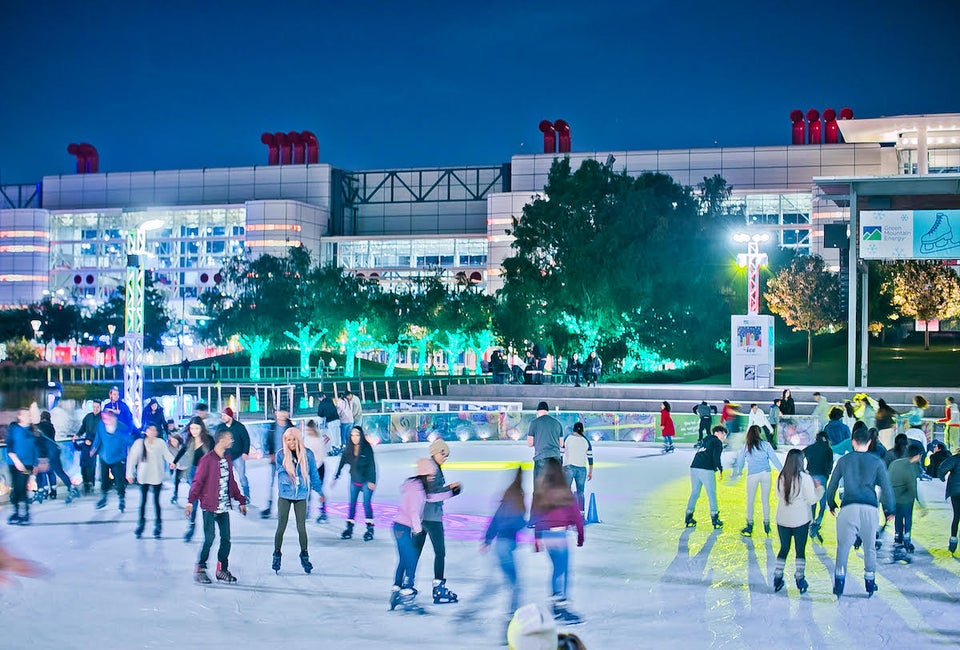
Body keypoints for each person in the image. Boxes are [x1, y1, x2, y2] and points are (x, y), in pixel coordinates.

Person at [825, 424, 895, 598]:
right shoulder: (877, 462)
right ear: (869, 442)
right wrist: (889, 509)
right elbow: (886, 488)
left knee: (843, 547)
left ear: (853, 442)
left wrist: (831, 503)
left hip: (848, 507)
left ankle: (839, 583)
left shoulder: (844, 461)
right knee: (870, 547)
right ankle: (870, 582)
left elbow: (832, 484)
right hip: (869, 508)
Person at [459, 468, 527, 624]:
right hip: (507, 546)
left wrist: (487, 540)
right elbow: (515, 523)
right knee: (513, 584)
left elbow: (496, 520)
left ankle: (471, 610)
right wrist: (527, 523)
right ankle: (512, 614)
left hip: (500, 545)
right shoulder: (518, 498)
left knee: (498, 583)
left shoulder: (507, 498)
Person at [187, 429, 247, 584]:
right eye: (229, 438)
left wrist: (241, 500)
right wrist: (190, 501)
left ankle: (222, 570)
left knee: (226, 539)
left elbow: (231, 482)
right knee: (209, 538)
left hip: (223, 507)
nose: (232, 441)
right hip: (209, 506)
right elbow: (198, 481)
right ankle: (200, 568)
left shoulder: (227, 459)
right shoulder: (207, 460)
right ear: (221, 440)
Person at [390, 457, 446, 613]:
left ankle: (397, 588)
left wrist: (451, 492)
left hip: (400, 527)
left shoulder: (417, 486)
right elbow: (413, 511)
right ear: (424, 474)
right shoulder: (417, 490)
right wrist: (418, 529)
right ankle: (406, 593)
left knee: (406, 559)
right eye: (430, 475)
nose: (432, 478)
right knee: (410, 560)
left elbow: (433, 497)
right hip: (403, 528)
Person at [532, 458, 585, 624]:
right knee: (564, 571)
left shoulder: (542, 492)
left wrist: (537, 537)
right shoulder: (565, 492)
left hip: (547, 536)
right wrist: (580, 536)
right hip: (560, 535)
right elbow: (576, 516)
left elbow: (537, 515)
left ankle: (556, 605)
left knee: (556, 569)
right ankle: (562, 608)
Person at [414, 438, 463, 604]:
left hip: (422, 516)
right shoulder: (432, 468)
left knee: (415, 552)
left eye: (447, 455)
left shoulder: (432, 467)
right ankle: (438, 587)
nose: (445, 458)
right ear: (435, 452)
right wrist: (451, 491)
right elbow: (432, 494)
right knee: (440, 552)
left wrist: (448, 488)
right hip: (432, 518)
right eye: (443, 454)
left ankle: (406, 584)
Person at [271, 428, 323, 575]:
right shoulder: (281, 454)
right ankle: (277, 554)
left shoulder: (308, 454)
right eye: (288, 440)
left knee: (301, 527)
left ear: (299, 439)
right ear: (285, 441)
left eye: (294, 439)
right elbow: (280, 473)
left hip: (301, 495)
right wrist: (290, 478)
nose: (291, 442)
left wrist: (319, 491)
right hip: (285, 494)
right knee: (281, 526)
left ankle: (304, 555)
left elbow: (313, 473)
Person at [772, 448, 823, 593]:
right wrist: (819, 489)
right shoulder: (804, 478)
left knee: (784, 548)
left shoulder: (781, 477)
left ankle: (777, 577)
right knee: (800, 550)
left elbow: (778, 495)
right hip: (800, 519)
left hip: (783, 519)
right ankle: (800, 579)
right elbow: (812, 499)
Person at [732, 425, 782, 536]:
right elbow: (774, 459)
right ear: (759, 433)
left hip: (752, 475)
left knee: (750, 500)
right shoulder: (766, 445)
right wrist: (782, 471)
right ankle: (766, 523)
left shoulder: (747, 446)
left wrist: (739, 471)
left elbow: (740, 460)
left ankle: (750, 525)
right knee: (765, 500)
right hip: (765, 474)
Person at [126, 423, 174, 539]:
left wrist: (173, 462)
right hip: (144, 476)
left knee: (156, 502)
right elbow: (132, 459)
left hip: (156, 475)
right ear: (146, 431)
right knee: (143, 501)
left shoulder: (160, 443)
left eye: (154, 430)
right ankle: (141, 525)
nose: (152, 432)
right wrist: (129, 473)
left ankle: (158, 526)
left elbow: (167, 455)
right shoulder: (139, 443)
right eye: (150, 430)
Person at [172, 416, 214, 541]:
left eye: (196, 428)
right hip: (194, 472)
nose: (194, 431)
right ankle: (191, 526)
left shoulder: (209, 440)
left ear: (201, 428)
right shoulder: (190, 440)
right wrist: (174, 462)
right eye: (192, 428)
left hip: (206, 473)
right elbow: (183, 450)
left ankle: (209, 528)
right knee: (194, 500)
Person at [333, 425, 377, 540]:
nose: (354, 437)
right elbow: (342, 461)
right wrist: (336, 475)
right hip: (354, 481)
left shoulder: (367, 448)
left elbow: (371, 465)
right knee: (352, 504)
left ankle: (370, 529)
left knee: (366, 504)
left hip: (366, 481)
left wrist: (372, 481)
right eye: (352, 435)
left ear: (361, 435)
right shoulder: (349, 448)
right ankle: (349, 528)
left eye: (357, 435)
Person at [685, 425, 727, 529]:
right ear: (718, 432)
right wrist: (720, 469)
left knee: (695, 492)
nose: (724, 437)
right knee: (711, 493)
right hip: (706, 469)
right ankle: (715, 518)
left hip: (694, 467)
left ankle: (688, 516)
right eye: (724, 434)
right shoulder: (717, 442)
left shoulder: (705, 440)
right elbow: (716, 457)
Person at [92, 409, 133, 512]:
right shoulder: (101, 425)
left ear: (114, 418)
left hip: (118, 457)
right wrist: (94, 448)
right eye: (104, 419)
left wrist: (134, 446)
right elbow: (98, 437)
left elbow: (128, 440)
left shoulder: (121, 427)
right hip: (104, 456)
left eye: (108, 418)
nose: (106, 421)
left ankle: (121, 499)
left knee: (119, 480)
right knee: (104, 478)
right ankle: (104, 497)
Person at [888, 442, 925, 557]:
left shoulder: (895, 463)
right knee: (908, 516)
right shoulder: (910, 467)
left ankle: (897, 536)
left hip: (894, 497)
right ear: (917, 455)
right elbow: (912, 487)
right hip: (906, 499)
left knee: (898, 517)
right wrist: (920, 504)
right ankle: (907, 537)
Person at [35, 412, 76, 503]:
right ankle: (58, 490)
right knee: (55, 472)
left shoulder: (39, 427)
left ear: (41, 418)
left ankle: (43, 491)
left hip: (44, 453)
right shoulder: (51, 427)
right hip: (53, 452)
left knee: (41, 472)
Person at [6, 408, 37, 525]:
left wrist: (35, 464)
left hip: (26, 466)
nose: (29, 417)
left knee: (21, 487)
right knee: (15, 488)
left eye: (29, 415)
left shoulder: (33, 431)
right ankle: (16, 512)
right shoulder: (13, 429)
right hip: (13, 464)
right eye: (26, 415)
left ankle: (26, 513)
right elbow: (10, 445)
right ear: (19, 417)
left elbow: (35, 448)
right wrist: (15, 460)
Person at [260, 408, 292, 519]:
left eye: (284, 413)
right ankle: (269, 507)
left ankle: (283, 509)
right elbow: (268, 441)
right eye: (280, 413)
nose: (282, 415)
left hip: (287, 460)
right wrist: (270, 453)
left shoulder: (290, 428)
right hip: (275, 459)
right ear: (276, 414)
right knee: (272, 484)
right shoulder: (272, 427)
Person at [802, 430, 833, 543]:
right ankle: (818, 521)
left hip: (810, 476)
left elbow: (799, 456)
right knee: (822, 502)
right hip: (822, 476)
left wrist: (803, 470)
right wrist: (827, 474)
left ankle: (811, 522)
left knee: (812, 501)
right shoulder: (828, 449)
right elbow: (830, 465)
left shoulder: (810, 448)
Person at [215, 408, 250, 500]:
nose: (222, 417)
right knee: (226, 476)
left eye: (224, 415)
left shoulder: (239, 427)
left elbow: (246, 440)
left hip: (238, 456)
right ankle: (228, 495)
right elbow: (216, 441)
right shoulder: (220, 427)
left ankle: (246, 495)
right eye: (222, 415)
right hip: (225, 456)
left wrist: (245, 452)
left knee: (242, 476)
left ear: (230, 416)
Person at [527, 401, 563, 484]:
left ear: (537, 411)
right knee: (554, 487)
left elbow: (530, 443)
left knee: (539, 487)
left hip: (541, 457)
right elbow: (561, 444)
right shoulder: (557, 423)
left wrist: (539, 440)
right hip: (555, 458)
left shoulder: (534, 423)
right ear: (547, 411)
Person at [562, 422, 594, 517]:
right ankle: (581, 513)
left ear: (573, 429)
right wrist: (590, 472)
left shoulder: (568, 438)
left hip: (569, 467)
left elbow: (561, 453)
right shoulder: (586, 441)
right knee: (581, 492)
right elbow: (590, 458)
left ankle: (566, 512)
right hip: (582, 469)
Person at [73, 399, 102, 494]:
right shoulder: (88, 417)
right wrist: (77, 435)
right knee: (84, 465)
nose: (95, 409)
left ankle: (91, 483)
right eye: (94, 407)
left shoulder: (103, 418)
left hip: (96, 443)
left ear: (100, 407)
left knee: (91, 465)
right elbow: (83, 428)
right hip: (86, 442)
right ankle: (86, 483)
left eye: (97, 407)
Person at [302, 419, 329, 522]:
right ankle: (307, 511)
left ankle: (323, 512)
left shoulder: (318, 440)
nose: (308, 431)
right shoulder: (306, 439)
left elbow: (320, 456)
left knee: (319, 490)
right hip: (309, 468)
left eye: (309, 429)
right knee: (307, 491)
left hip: (318, 468)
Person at [937, 447, 960, 554]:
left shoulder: (956, 458)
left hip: (955, 491)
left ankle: (953, 541)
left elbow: (943, 467)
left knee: (956, 516)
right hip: (956, 491)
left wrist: (941, 477)